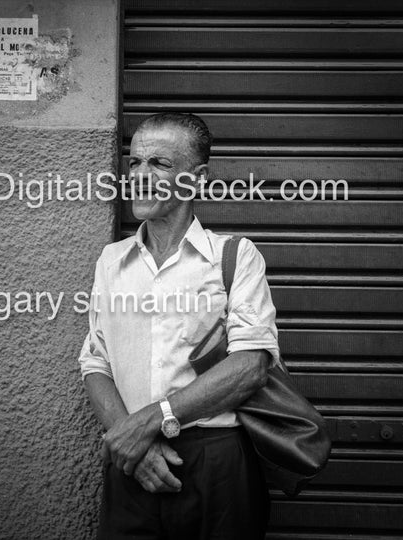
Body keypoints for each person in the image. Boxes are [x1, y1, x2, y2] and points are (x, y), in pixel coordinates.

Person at [78, 112, 280, 540]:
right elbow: (95, 361)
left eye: (159, 164)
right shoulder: (111, 261)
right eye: (134, 163)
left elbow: (251, 365)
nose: (139, 175)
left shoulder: (235, 257)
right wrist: (129, 440)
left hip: (215, 464)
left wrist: (150, 421)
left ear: (196, 179)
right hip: (131, 462)